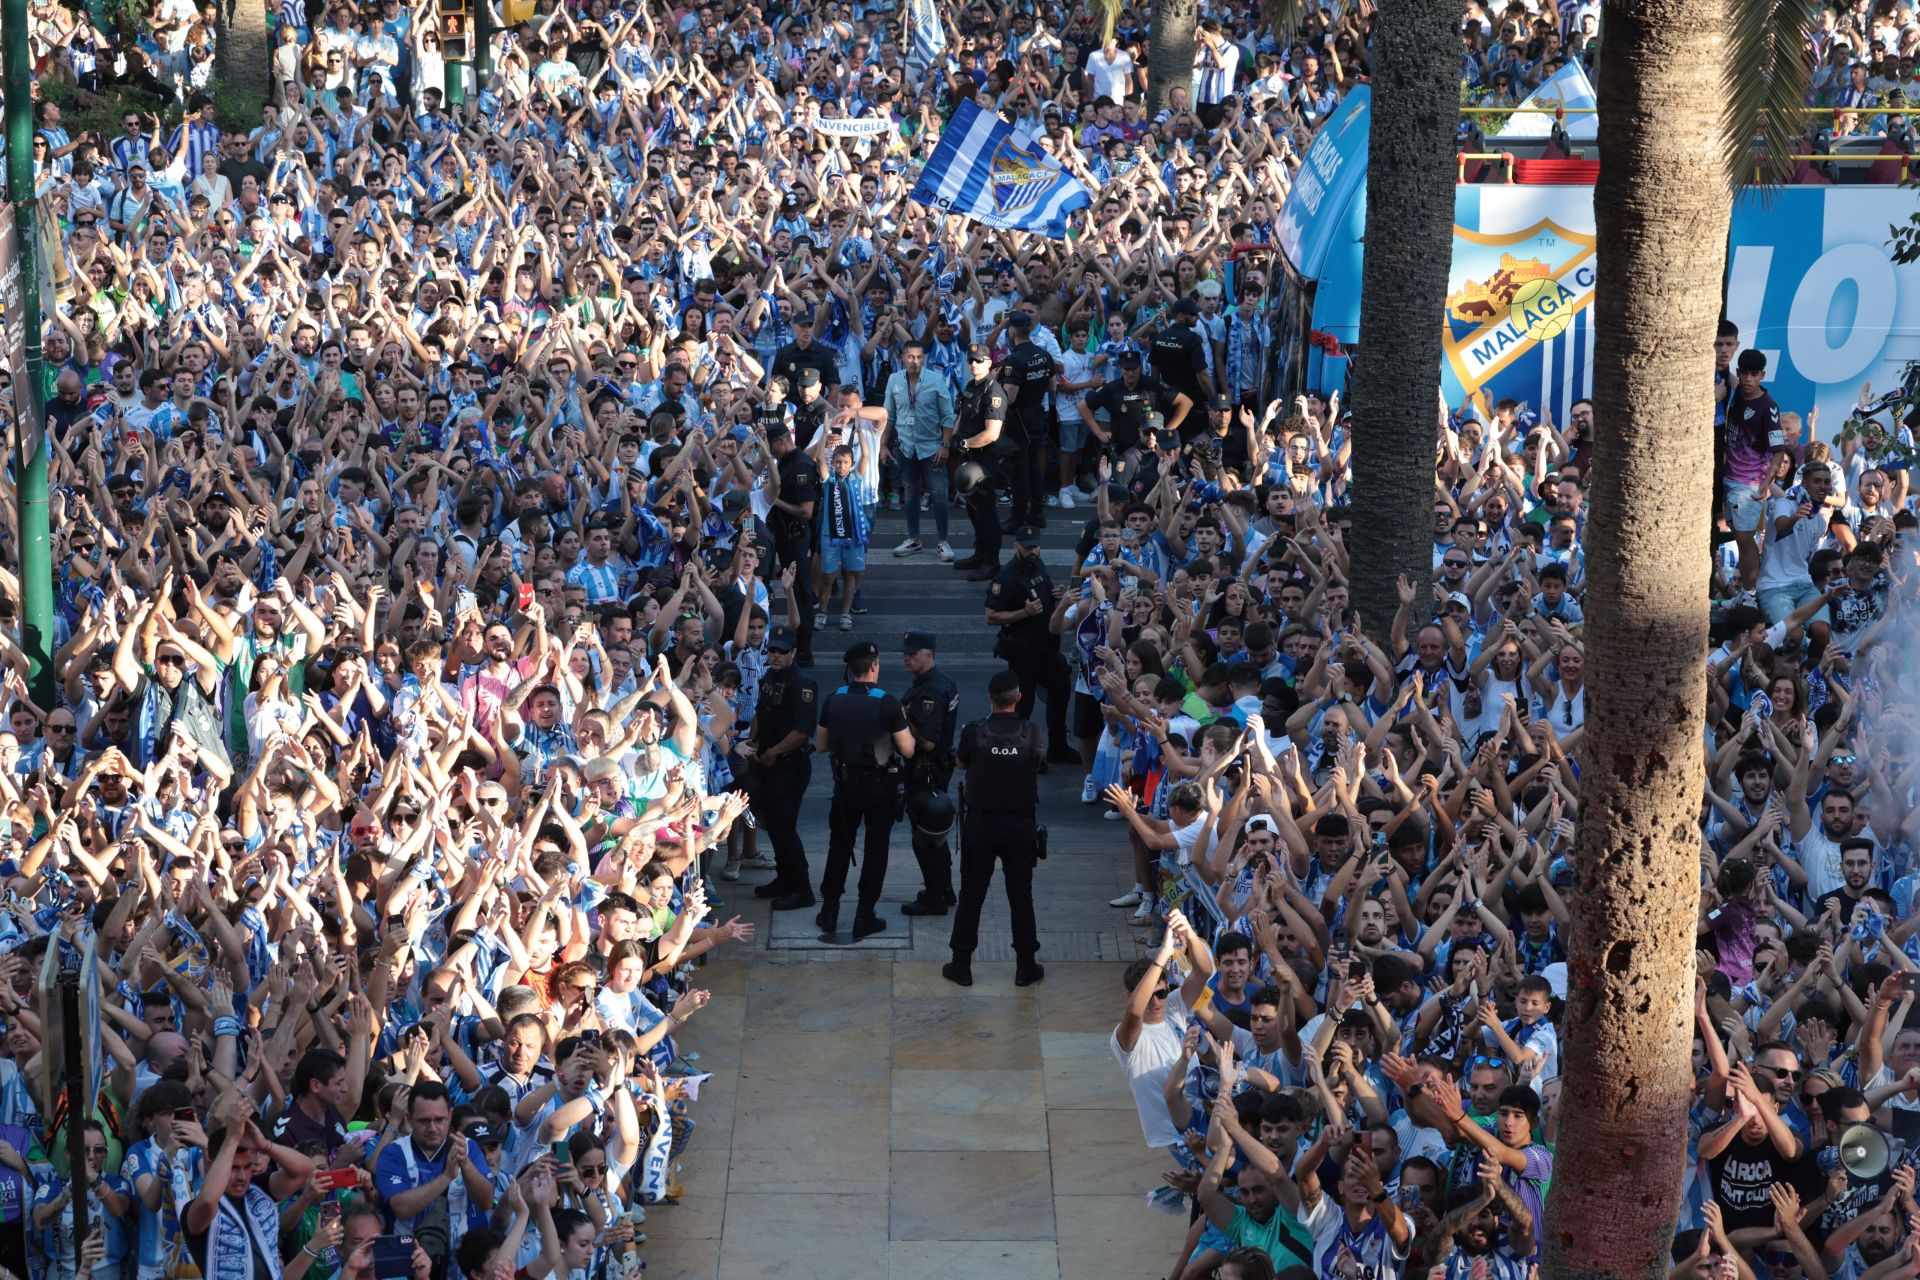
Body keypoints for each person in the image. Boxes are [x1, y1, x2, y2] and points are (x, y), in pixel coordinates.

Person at [943, 669, 1046, 988]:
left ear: (990, 698)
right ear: (1019, 697)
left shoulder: (974, 732)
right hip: (1019, 824)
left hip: (981, 824)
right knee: (1021, 895)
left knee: (972, 893)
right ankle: (1025, 965)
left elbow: (960, 762)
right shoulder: (1033, 732)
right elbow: (1038, 763)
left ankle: (961, 964)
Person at [813, 642, 915, 938]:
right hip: (879, 786)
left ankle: (829, 910)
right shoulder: (887, 702)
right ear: (873, 667)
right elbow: (908, 750)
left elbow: (821, 745)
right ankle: (864, 914)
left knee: (839, 844)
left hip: (845, 784)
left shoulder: (834, 699)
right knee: (876, 849)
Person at [983, 528, 1077, 763]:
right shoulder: (1005, 578)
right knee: (1022, 703)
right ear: (1017, 547)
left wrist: (1054, 594)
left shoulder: (1038, 565)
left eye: (1036, 546)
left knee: (1060, 688)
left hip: (1046, 647)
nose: (1033, 551)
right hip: (1023, 649)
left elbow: (1041, 591)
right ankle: (1021, 752)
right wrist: (1023, 612)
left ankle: (1058, 746)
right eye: (1028, 547)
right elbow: (991, 616)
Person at [747, 624, 820, 912]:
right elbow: (761, 712)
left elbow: (804, 730)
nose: (775, 656)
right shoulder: (770, 676)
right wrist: (753, 740)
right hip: (768, 761)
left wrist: (775, 751)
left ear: (794, 652)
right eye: (772, 651)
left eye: (781, 651)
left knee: (784, 827)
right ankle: (784, 878)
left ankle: (802, 888)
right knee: (775, 826)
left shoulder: (801, 683)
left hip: (789, 765)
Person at [898, 631, 961, 918]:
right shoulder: (939, 682)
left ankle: (935, 896)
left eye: (913, 654)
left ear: (929, 654)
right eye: (905, 653)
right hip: (936, 768)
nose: (906, 658)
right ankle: (943, 889)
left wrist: (902, 717)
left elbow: (927, 742)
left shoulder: (931, 691)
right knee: (936, 833)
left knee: (926, 836)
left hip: (926, 771)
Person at [952, 344, 1013, 581]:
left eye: (979, 360)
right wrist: (956, 437)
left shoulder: (993, 391)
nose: (974, 364)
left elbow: (992, 433)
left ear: (990, 363)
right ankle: (979, 554)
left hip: (984, 458)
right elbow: (962, 415)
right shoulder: (971, 387)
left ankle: (991, 561)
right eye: (971, 360)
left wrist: (966, 443)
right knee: (972, 507)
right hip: (969, 456)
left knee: (986, 511)